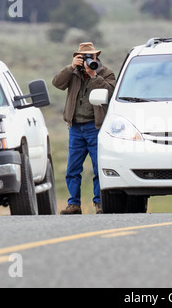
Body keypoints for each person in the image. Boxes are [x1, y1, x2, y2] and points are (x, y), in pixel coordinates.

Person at [53, 42, 116, 215]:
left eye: (92, 56)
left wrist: (94, 76)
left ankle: (100, 203)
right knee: (73, 168)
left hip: (95, 127)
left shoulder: (106, 73)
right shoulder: (73, 73)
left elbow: (111, 92)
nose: (89, 60)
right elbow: (57, 83)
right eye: (84, 57)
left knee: (98, 166)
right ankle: (74, 204)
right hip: (75, 127)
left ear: (97, 56)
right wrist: (71, 67)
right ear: (78, 57)